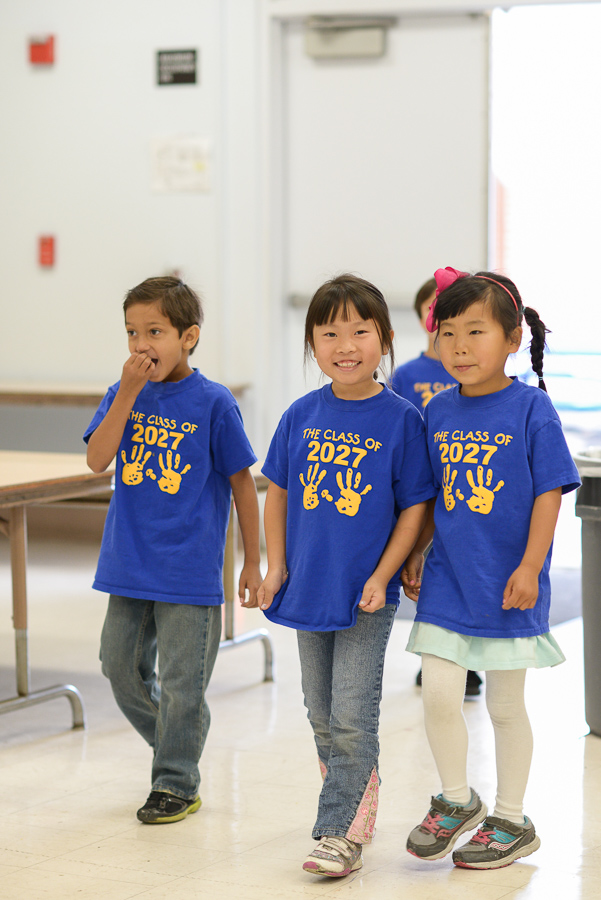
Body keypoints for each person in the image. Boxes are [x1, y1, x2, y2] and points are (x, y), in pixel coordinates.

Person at [257, 274, 437, 878]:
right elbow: (276, 491)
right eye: (329, 332)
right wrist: (274, 564)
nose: (345, 344)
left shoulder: (402, 419)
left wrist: (385, 574)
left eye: (360, 330)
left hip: (366, 591)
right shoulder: (301, 414)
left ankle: (339, 831)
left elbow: (415, 506)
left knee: (352, 713)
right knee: (320, 711)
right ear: (312, 343)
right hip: (307, 584)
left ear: (384, 339)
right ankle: (357, 803)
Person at [402, 267, 580, 869]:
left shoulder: (532, 408)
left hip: (510, 581)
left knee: (505, 707)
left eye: (474, 331)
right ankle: (457, 799)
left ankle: (510, 818)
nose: (457, 346)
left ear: (511, 340)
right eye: (446, 333)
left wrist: (532, 565)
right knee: (439, 696)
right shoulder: (439, 411)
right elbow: (430, 495)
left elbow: (551, 492)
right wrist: (418, 550)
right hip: (450, 577)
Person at [84, 276, 261, 824]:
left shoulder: (213, 401)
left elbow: (242, 484)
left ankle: (176, 782)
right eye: (132, 332)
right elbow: (97, 460)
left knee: (185, 683)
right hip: (127, 564)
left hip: (189, 571)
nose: (141, 345)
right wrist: (128, 394)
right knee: (119, 667)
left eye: (154, 331)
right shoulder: (123, 394)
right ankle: (181, 734)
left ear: (189, 336)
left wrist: (252, 560)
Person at [392, 278, 482, 696]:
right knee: (424, 575)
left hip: (469, 486)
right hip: (424, 488)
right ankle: (434, 659)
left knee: (467, 573)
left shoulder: (477, 369)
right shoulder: (408, 374)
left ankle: (471, 660)